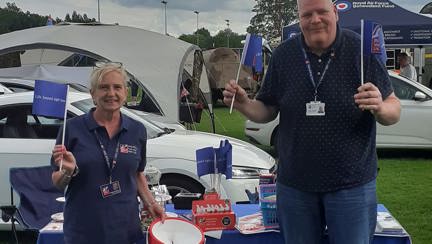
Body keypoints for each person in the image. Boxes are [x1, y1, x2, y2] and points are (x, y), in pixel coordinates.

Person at [223, 0, 401, 243]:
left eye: (322, 12)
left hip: (351, 184)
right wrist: (244, 104)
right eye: (307, 14)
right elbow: (268, 110)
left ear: (336, 14)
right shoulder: (284, 55)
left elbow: (394, 108)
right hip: (296, 185)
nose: (315, 19)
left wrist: (380, 107)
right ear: (299, 18)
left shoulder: (360, 51)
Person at [51, 62, 166, 244]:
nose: (111, 93)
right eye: (104, 87)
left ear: (125, 93)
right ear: (93, 93)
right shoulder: (72, 129)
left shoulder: (137, 130)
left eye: (117, 87)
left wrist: (150, 203)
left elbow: (137, 173)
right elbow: (57, 182)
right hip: (84, 230)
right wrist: (68, 172)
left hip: (126, 230)